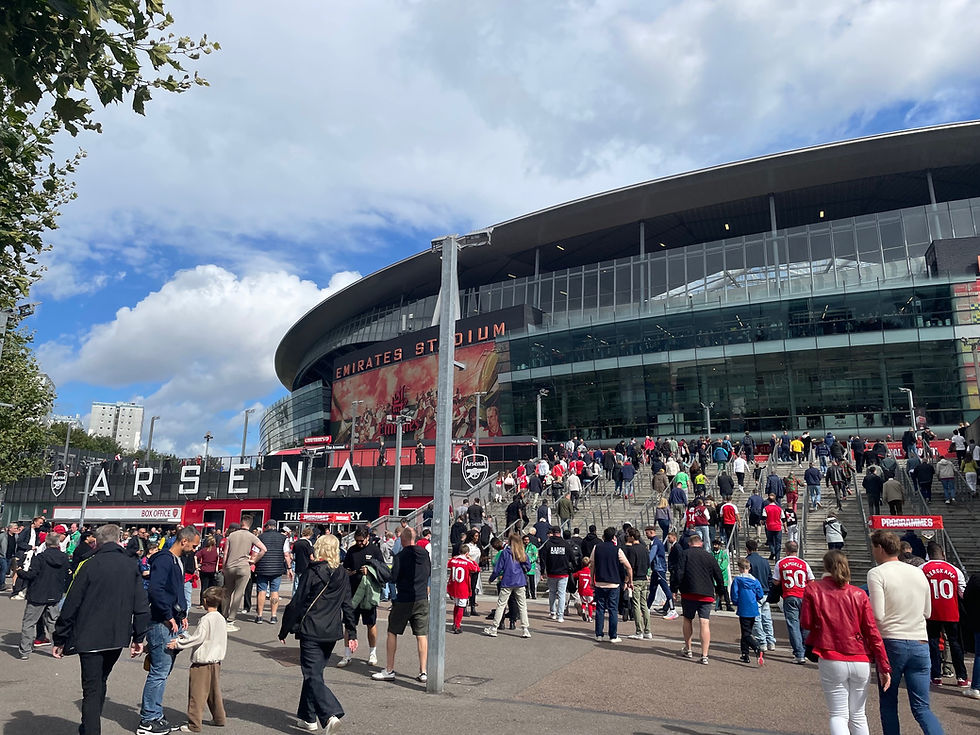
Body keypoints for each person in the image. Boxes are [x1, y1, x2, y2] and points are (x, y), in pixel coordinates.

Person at [53, 524, 150, 735]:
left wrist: (60, 637)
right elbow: (141, 605)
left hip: (89, 635)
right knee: (100, 680)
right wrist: (138, 637)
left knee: (92, 687)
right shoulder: (130, 565)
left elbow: (71, 603)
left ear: (97, 541)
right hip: (117, 636)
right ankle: (90, 723)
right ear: (118, 540)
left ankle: (91, 728)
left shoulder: (90, 564)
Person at [802, 550, 891, 735]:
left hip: (830, 654)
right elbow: (872, 631)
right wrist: (884, 665)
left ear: (825, 567)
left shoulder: (813, 589)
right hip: (860, 657)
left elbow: (806, 622)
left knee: (838, 714)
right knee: (859, 715)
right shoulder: (858, 593)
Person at [278, 533, 356, 734]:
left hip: (311, 629)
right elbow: (348, 605)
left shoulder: (312, 572)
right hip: (331, 631)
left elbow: (297, 602)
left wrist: (285, 628)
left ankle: (330, 713)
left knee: (312, 674)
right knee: (314, 674)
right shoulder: (342, 574)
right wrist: (352, 633)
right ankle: (307, 717)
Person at [867, 530, 944, 735]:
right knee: (922, 707)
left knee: (889, 702)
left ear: (880, 548)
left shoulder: (877, 573)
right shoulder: (918, 572)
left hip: (892, 641)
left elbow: (878, 615)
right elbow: (927, 611)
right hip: (919, 640)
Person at [138, 525, 201, 735]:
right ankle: (148, 720)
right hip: (161, 622)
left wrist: (181, 615)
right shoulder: (165, 559)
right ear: (184, 541)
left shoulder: (177, 560)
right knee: (159, 672)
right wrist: (168, 616)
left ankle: (155, 713)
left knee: (163, 672)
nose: (193, 549)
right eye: (193, 545)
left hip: (171, 619)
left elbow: (175, 591)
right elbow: (156, 590)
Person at [371, 527, 431, 683]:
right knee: (421, 634)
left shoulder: (400, 556)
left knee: (392, 631)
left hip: (404, 598)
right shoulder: (424, 554)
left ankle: (389, 669)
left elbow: (393, 577)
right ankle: (423, 671)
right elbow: (429, 571)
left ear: (402, 540)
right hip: (422, 598)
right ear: (415, 539)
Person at [166, 586, 227, 733]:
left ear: (205, 601)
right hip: (216, 661)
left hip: (202, 662)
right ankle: (219, 718)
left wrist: (178, 643)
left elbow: (198, 638)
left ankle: (194, 724)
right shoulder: (220, 618)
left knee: (196, 694)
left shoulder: (206, 619)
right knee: (214, 692)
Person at [921, 542, 968, 687]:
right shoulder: (954, 570)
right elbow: (962, 593)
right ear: (943, 554)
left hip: (931, 611)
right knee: (955, 643)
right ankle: (962, 677)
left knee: (933, 643)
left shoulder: (922, 569)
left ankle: (936, 676)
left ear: (928, 555)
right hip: (951, 611)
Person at [18, 532, 70, 658]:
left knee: (29, 623)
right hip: (54, 594)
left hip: (38, 594)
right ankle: (58, 647)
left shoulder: (40, 557)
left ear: (46, 543)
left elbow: (32, 575)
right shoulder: (64, 558)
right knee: (53, 622)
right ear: (58, 543)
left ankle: (25, 651)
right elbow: (66, 575)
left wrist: (20, 571)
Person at [676, 534, 724, 665]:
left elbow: (679, 573)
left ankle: (689, 648)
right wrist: (720, 591)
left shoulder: (685, 554)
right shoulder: (709, 556)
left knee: (687, 619)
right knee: (704, 622)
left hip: (689, 592)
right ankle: (704, 655)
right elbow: (718, 574)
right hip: (706, 593)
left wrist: (674, 589)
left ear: (690, 544)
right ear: (701, 543)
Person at [338, 527, 382, 667]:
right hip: (353, 592)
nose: (359, 543)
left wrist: (370, 570)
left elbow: (383, 569)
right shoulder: (352, 550)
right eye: (357, 541)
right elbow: (345, 567)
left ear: (367, 537)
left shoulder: (375, 550)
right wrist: (347, 572)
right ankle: (347, 655)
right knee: (349, 624)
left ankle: (372, 653)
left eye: (362, 541)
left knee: (371, 624)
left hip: (368, 593)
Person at [221, 517, 266, 632]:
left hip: (230, 567)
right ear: (250, 525)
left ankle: (223, 616)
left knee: (227, 593)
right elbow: (263, 549)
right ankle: (231, 620)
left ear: (241, 523)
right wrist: (253, 560)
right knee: (239, 593)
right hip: (243, 567)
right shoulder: (252, 536)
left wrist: (224, 567)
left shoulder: (231, 536)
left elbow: (225, 553)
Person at [483, 534, 532, 638]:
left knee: (501, 604)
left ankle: (494, 627)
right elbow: (528, 566)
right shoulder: (522, 553)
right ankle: (525, 629)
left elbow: (498, 568)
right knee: (522, 605)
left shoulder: (505, 553)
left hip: (507, 580)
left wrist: (492, 578)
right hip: (520, 581)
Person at [774, 540, 815, 664]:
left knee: (793, 625)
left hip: (789, 595)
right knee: (805, 624)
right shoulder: (803, 563)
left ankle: (799, 653)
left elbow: (776, 581)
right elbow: (812, 580)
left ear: (786, 550)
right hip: (804, 595)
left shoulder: (780, 563)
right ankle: (805, 649)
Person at [590, 527, 633, 643]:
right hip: (613, 582)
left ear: (603, 537)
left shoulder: (597, 547)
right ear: (614, 537)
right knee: (613, 609)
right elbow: (628, 566)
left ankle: (599, 634)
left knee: (600, 609)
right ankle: (613, 635)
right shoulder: (617, 549)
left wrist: (591, 579)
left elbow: (592, 564)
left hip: (600, 581)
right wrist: (630, 581)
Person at [254, 521, 293, 624]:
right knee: (274, 591)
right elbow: (286, 555)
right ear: (275, 527)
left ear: (267, 527)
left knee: (262, 591)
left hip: (262, 568)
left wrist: (253, 562)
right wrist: (289, 568)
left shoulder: (260, 537)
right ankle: (273, 616)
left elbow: (255, 552)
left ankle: (259, 616)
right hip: (277, 568)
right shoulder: (283, 538)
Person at [730, 558, 765, 666]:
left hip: (744, 607)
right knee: (747, 631)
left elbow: (734, 593)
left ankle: (756, 647)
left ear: (740, 568)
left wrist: (736, 602)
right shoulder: (755, 580)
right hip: (753, 607)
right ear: (749, 568)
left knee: (746, 633)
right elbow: (760, 594)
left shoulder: (737, 580)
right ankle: (744, 654)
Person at [624, 528, 651, 639]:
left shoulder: (632, 550)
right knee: (644, 605)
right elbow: (648, 563)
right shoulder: (644, 549)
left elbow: (630, 567)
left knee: (636, 605)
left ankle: (639, 631)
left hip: (636, 578)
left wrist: (627, 580)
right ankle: (647, 630)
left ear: (632, 537)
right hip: (644, 577)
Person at [448, 544, 480, 634]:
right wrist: (472, 560)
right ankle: (457, 626)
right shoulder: (467, 562)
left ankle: (455, 623)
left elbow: (448, 564)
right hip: (463, 586)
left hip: (454, 585)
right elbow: (476, 569)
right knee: (461, 606)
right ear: (467, 553)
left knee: (456, 605)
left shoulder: (453, 560)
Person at [195, 537, 220, 607]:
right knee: (212, 587)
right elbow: (218, 559)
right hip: (213, 570)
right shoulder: (216, 550)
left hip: (204, 569)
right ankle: (211, 602)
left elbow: (195, 556)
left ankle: (202, 603)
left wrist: (196, 566)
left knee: (203, 587)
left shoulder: (203, 550)